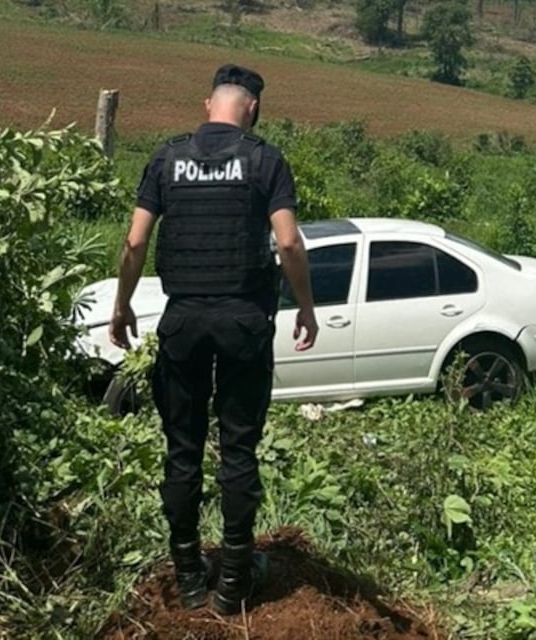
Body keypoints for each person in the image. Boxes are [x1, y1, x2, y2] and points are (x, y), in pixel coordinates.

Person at [108, 63, 318, 614]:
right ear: (251, 109)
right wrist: (307, 309)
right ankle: (232, 586)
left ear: (210, 105)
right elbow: (290, 243)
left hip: (182, 325)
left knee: (183, 451)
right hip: (244, 323)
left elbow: (134, 244)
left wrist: (122, 305)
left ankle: (188, 577)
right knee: (238, 449)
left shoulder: (165, 158)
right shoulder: (265, 159)